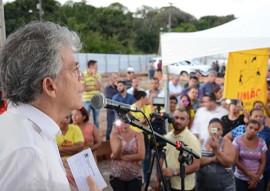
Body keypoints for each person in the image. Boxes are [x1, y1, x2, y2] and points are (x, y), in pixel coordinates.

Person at [0, 21, 97, 190]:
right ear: (50, 86)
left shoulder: (30, 131)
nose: (80, 77)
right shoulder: (28, 153)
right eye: (74, 69)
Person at [156, 108, 201, 191]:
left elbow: (196, 165)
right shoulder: (167, 136)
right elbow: (162, 157)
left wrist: (174, 172)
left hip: (183, 187)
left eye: (182, 119)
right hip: (166, 184)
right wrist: (158, 179)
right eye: (176, 118)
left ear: (188, 121)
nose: (178, 121)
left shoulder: (192, 139)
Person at [197, 118, 236, 191]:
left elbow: (228, 163)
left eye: (218, 129)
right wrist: (213, 159)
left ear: (222, 131)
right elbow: (196, 161)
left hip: (224, 185)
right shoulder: (202, 142)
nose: (215, 132)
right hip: (204, 183)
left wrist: (216, 149)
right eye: (213, 129)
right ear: (208, 129)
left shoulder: (226, 142)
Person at [109, 120, 145, 191]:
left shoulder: (138, 134)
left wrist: (122, 157)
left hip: (135, 176)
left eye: (126, 121)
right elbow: (116, 155)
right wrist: (120, 142)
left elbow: (141, 156)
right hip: (117, 176)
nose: (124, 124)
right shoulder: (114, 135)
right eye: (121, 122)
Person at [233, 119, 267, 191]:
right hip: (240, 178)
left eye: (255, 129)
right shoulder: (237, 140)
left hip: (257, 179)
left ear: (258, 131)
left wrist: (256, 178)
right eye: (250, 128)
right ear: (245, 127)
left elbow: (263, 162)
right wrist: (250, 174)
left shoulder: (262, 142)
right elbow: (235, 160)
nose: (252, 130)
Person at [82, 60, 101, 128]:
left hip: (96, 100)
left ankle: (96, 136)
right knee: (85, 118)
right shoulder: (83, 75)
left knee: (96, 120)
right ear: (91, 66)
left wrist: (94, 76)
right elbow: (84, 89)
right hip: (86, 100)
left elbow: (98, 87)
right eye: (96, 65)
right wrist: (94, 88)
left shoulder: (97, 75)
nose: (97, 67)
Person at [104, 73, 118, 140]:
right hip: (110, 111)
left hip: (116, 110)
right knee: (109, 127)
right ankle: (107, 141)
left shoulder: (117, 88)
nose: (116, 79)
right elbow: (109, 98)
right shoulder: (107, 88)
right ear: (110, 79)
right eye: (114, 78)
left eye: (116, 78)